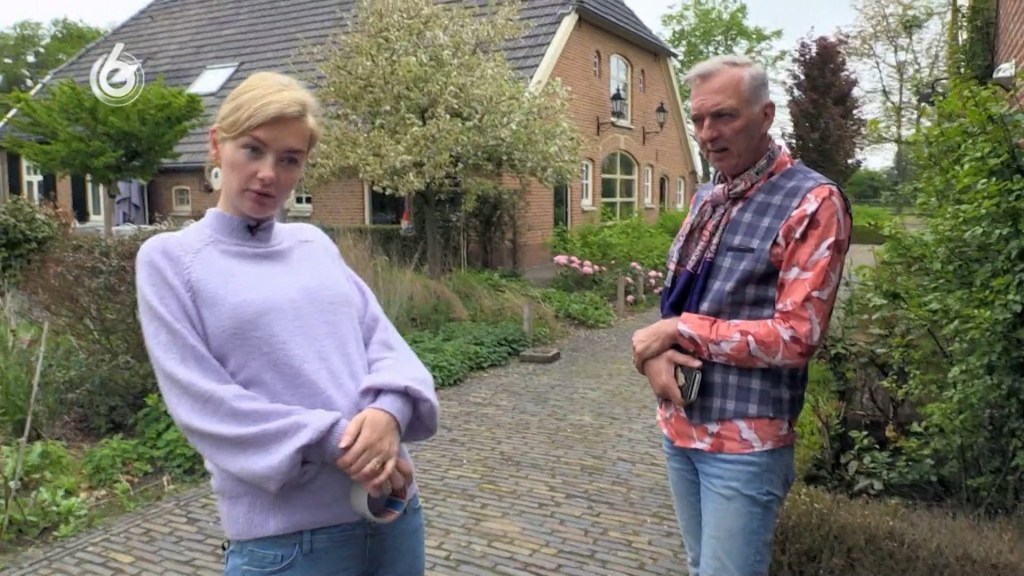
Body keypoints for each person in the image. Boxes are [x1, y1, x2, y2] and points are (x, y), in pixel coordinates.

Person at [134, 71, 440, 575]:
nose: (268, 173)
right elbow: (204, 402)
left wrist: (389, 413)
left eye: (289, 159)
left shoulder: (314, 244)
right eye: (253, 150)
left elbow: (384, 344)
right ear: (216, 144)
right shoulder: (172, 260)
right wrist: (342, 441)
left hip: (392, 515)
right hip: (288, 545)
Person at [630, 55, 852, 575]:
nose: (708, 133)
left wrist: (680, 329)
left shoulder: (813, 202)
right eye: (698, 119)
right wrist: (655, 357)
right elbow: (679, 303)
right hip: (679, 425)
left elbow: (797, 336)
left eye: (724, 116)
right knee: (699, 566)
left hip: (744, 442)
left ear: (766, 115)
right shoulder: (708, 198)